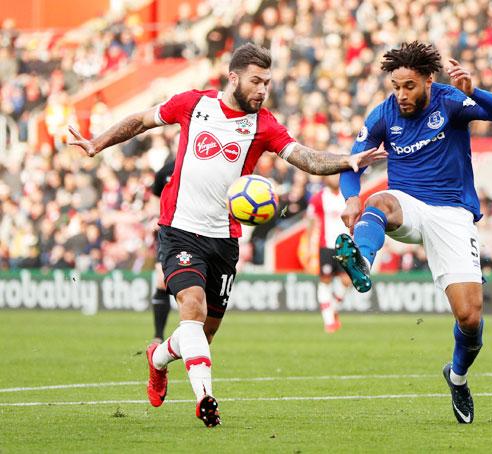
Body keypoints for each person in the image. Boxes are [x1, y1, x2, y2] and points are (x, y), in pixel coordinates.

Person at [69, 42, 385, 427]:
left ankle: (157, 358)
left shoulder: (264, 124)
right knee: (192, 307)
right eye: (256, 81)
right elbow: (140, 120)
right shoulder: (193, 104)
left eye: (267, 83)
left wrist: (346, 161)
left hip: (224, 240)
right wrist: (97, 143)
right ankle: (206, 399)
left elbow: (305, 157)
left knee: (203, 333)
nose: (262, 90)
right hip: (179, 230)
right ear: (233, 78)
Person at [335, 42, 492, 424]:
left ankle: (457, 376)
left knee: (469, 318)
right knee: (378, 201)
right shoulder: (383, 114)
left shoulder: (450, 101)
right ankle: (362, 260)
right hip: (409, 204)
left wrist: (474, 92)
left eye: (409, 86)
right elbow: (352, 164)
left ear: (428, 81)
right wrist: (351, 197)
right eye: (396, 85)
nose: (401, 94)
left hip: (452, 213)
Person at [305, 174, 352, 333]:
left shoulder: (348, 196)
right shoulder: (319, 197)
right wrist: (308, 244)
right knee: (325, 280)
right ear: (325, 179)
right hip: (326, 246)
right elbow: (311, 220)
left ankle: (333, 309)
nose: (335, 178)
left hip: (344, 245)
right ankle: (329, 321)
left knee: (347, 281)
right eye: (331, 176)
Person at [149, 159, 175, 344]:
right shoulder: (164, 172)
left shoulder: (199, 165)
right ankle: (158, 335)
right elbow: (154, 199)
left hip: (195, 231)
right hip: (168, 231)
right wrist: (154, 218)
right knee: (161, 280)